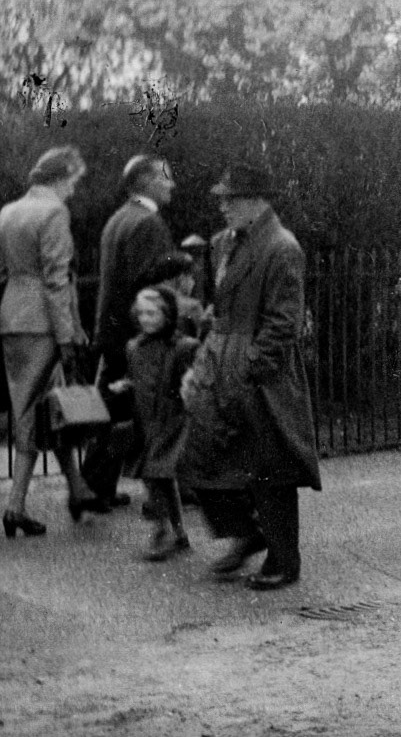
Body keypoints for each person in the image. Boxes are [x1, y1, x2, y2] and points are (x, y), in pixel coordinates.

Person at [178, 162, 320, 590]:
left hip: (261, 371)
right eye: (221, 199)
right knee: (199, 454)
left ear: (258, 201)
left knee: (268, 466)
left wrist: (249, 367)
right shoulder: (223, 244)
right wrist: (205, 362)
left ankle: (283, 558)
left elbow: (283, 323)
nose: (223, 207)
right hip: (220, 357)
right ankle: (245, 533)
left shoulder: (282, 247)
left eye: (231, 199)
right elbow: (218, 311)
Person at [1, 145, 102, 537]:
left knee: (51, 402)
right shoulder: (54, 213)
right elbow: (57, 280)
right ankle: (15, 506)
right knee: (32, 409)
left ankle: (77, 488)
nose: (74, 190)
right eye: (74, 181)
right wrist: (67, 335)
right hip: (43, 322)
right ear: (60, 177)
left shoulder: (8, 211)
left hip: (12, 318)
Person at [82, 154, 179, 507]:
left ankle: (95, 486)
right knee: (147, 410)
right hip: (133, 334)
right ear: (147, 182)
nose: (171, 184)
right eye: (165, 178)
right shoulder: (149, 223)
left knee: (112, 408)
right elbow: (148, 281)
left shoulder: (119, 219)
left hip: (110, 329)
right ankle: (173, 488)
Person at [105, 286, 198, 560]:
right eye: (141, 313)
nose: (146, 319)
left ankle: (161, 532)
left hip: (172, 420)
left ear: (168, 314)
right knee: (160, 479)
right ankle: (179, 534)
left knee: (158, 475)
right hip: (146, 421)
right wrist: (126, 384)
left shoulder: (183, 347)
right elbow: (138, 378)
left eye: (152, 313)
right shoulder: (134, 347)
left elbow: (189, 381)